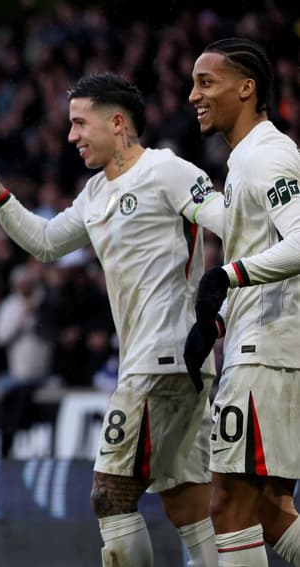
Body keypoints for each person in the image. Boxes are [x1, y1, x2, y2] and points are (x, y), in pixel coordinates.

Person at [0, 72, 225, 567]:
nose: (70, 135)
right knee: (185, 501)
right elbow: (46, 243)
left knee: (109, 494)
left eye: (79, 123)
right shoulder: (96, 192)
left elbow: (230, 222)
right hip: (162, 365)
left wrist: (230, 300)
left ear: (117, 123)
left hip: (162, 360)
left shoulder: (169, 171)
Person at [185, 37, 300, 566]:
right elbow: (260, 252)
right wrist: (214, 323)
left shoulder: (268, 155)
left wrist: (227, 275)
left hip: (267, 355)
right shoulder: (243, 162)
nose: (193, 95)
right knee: (270, 512)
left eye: (206, 82)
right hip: (263, 348)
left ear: (247, 88)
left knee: (229, 505)